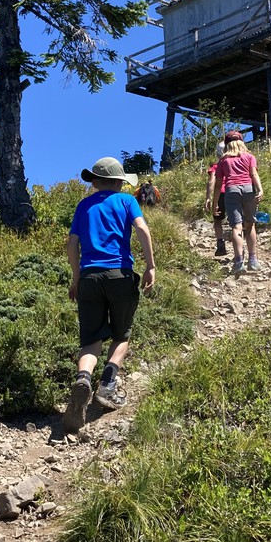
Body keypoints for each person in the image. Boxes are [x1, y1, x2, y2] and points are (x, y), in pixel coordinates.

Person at [63, 156, 156, 433]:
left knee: (91, 340)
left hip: (89, 277)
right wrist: (150, 266)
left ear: (94, 181)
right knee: (121, 335)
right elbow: (141, 228)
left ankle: (83, 378)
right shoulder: (126, 201)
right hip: (119, 274)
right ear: (119, 182)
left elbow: (72, 245)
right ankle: (107, 384)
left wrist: (77, 279)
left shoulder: (83, 206)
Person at [213, 130, 263, 274]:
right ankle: (252, 260)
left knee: (236, 227)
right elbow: (254, 174)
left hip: (231, 190)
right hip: (248, 189)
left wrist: (216, 203)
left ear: (227, 144)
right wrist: (260, 189)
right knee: (250, 224)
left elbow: (218, 184)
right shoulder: (249, 157)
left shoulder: (223, 161)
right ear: (242, 142)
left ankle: (238, 261)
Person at [204, 141, 228, 257]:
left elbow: (211, 181)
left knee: (217, 220)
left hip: (221, 194)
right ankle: (240, 250)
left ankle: (220, 243)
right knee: (236, 222)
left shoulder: (215, 166)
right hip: (235, 191)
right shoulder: (235, 163)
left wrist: (208, 197)